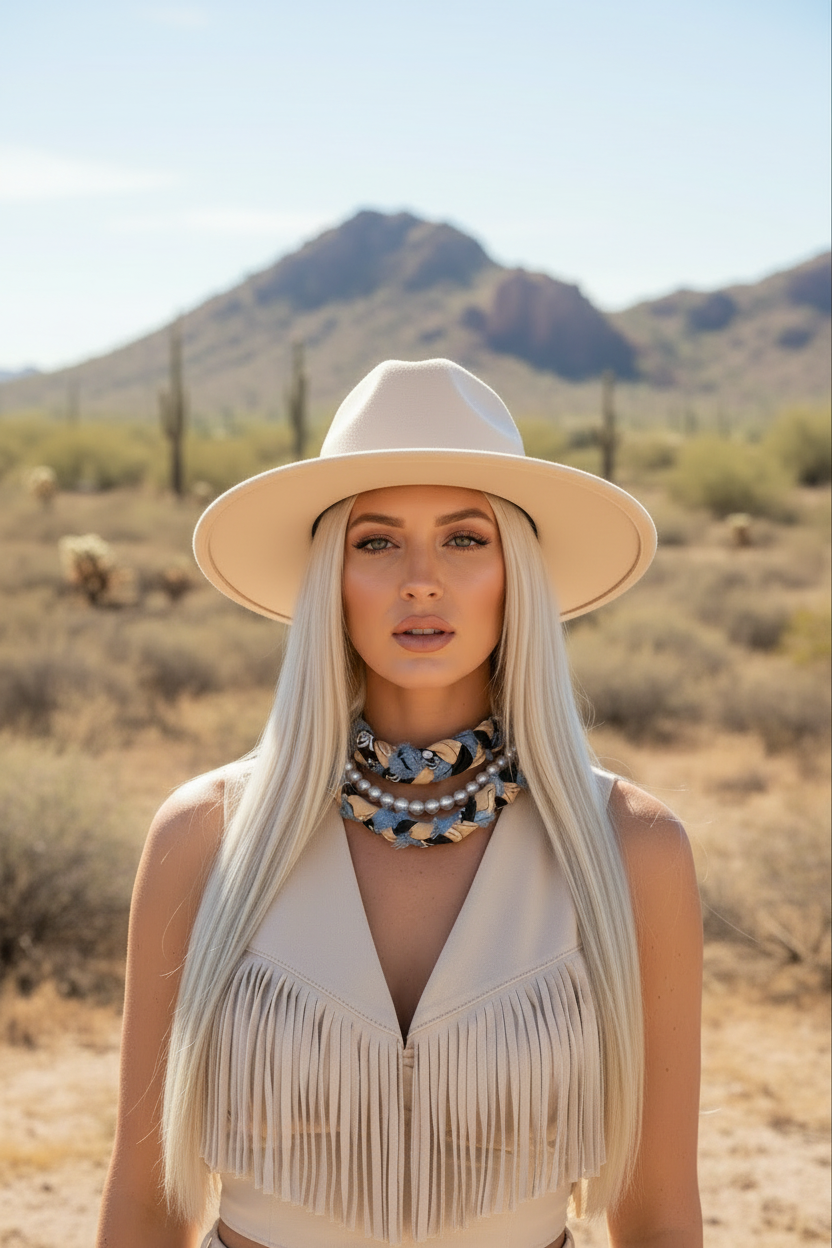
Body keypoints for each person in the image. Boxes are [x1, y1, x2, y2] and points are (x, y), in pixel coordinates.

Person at [96, 359, 703, 1248]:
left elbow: (655, 1212)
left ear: (515, 572)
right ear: (331, 579)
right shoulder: (208, 834)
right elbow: (148, 1204)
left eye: (465, 539)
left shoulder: (631, 849)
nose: (422, 579)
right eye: (376, 542)